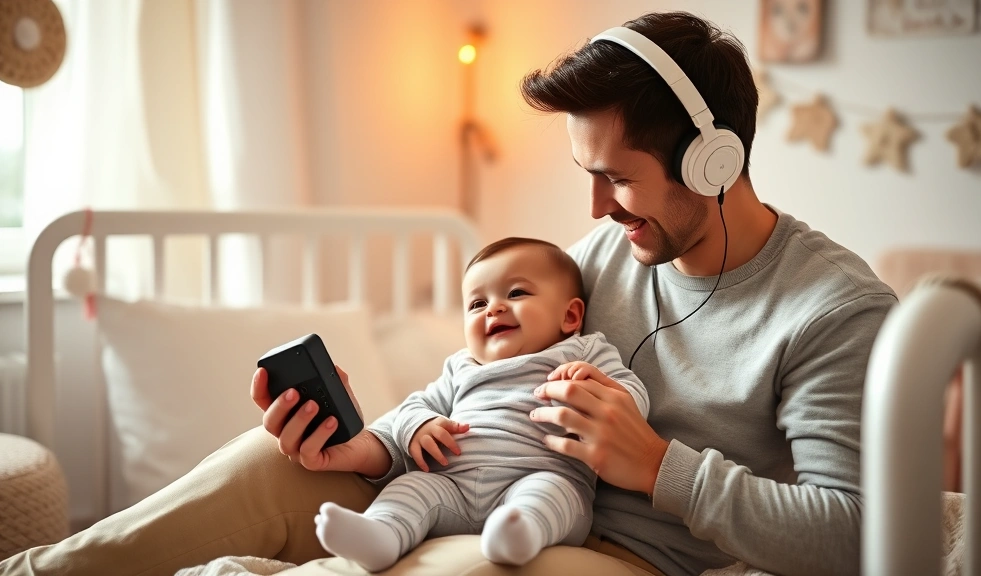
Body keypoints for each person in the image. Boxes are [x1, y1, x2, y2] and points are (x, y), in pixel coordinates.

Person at [1, 11, 896, 576]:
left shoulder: (832, 311)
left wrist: (661, 468)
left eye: (616, 179)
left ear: (714, 160)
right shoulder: (609, 247)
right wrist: (373, 447)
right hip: (472, 481)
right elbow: (478, 381)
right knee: (263, 464)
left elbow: (854, 535)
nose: (591, 210)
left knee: (468, 568)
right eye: (584, 174)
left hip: (611, 549)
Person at [314, 237, 649, 571]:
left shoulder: (582, 353)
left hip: (539, 474)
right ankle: (381, 534)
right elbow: (416, 405)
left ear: (571, 316)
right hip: (452, 486)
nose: (494, 308)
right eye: (477, 304)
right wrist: (419, 425)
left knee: (551, 493)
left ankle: (519, 534)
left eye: (516, 293)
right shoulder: (462, 367)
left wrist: (595, 386)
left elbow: (631, 396)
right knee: (411, 486)